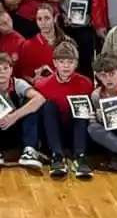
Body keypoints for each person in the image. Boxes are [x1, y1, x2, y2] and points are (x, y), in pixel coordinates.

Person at [0, 52, 46, 173]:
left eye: (5, 68)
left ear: (11, 70)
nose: (2, 72)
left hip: (17, 130)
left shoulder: (18, 84)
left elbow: (40, 99)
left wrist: (14, 116)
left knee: (31, 106)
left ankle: (29, 150)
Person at [33, 40, 94, 179]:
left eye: (70, 62)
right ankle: (57, 156)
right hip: (52, 131)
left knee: (80, 107)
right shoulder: (42, 84)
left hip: (76, 131)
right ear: (54, 63)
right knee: (49, 106)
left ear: (76, 64)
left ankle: (80, 156)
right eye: (62, 62)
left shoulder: (86, 83)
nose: (66, 66)